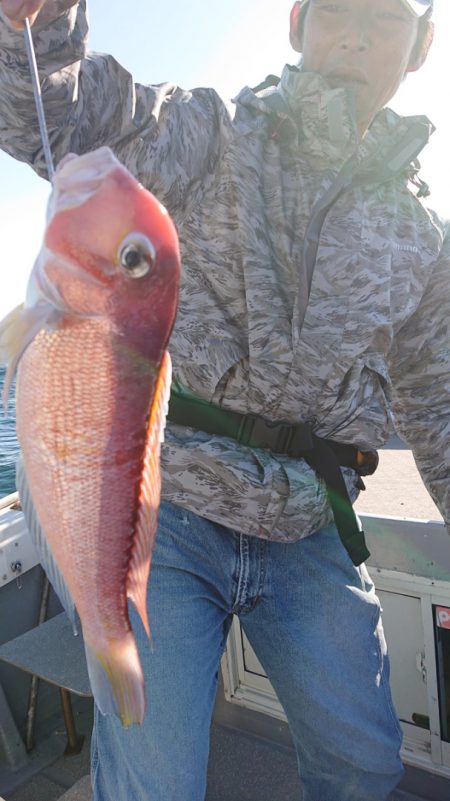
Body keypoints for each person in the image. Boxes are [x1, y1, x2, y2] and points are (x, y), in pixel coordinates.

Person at [0, 1, 447, 799]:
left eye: (383, 16)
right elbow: (56, 112)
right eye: (335, 10)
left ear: (421, 44)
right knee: (154, 777)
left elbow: (437, 403)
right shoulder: (210, 136)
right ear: (296, 27)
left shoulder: (421, 237)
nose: (354, 32)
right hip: (166, 513)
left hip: (308, 519)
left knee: (366, 763)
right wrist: (35, 24)